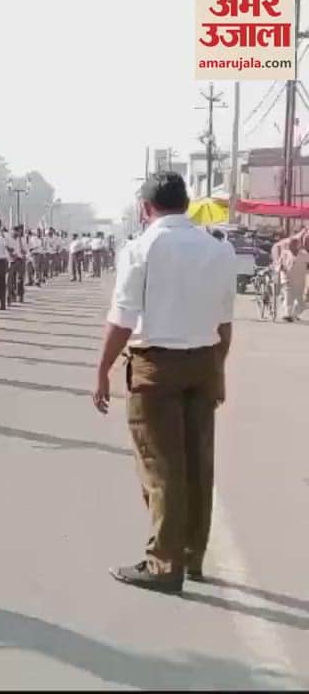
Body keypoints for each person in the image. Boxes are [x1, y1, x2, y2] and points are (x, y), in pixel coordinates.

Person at [93, 171, 235, 594]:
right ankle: (192, 554)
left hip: (157, 364)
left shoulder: (141, 248)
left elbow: (122, 319)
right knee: (197, 462)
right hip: (204, 361)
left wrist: (101, 370)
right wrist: (219, 369)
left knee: (161, 466)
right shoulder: (217, 249)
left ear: (145, 207)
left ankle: (163, 563)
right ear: (186, 203)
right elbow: (225, 321)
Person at [273, 232, 308, 322]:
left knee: (301, 304)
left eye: (294, 244)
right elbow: (278, 265)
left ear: (298, 245)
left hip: (300, 281)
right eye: (290, 244)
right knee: (289, 299)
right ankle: (287, 315)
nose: (291, 245)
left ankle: (293, 314)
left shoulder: (304, 254)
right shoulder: (285, 253)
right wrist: (280, 268)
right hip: (287, 279)